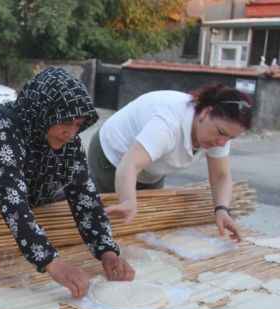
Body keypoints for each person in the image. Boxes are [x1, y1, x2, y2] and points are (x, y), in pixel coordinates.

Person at [0, 67, 134, 299]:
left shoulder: (67, 140)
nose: (71, 133)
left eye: (78, 124)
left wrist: (107, 251)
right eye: (66, 122)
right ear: (43, 111)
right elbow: (13, 200)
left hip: (27, 212)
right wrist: (52, 262)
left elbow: (84, 195)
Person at [87, 84, 254, 241]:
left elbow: (220, 175)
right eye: (221, 133)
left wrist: (222, 209)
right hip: (113, 156)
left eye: (230, 138)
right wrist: (127, 201)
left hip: (150, 166)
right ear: (205, 113)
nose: (222, 143)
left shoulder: (218, 132)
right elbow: (130, 165)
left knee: (144, 225)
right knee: (107, 224)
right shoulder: (168, 124)